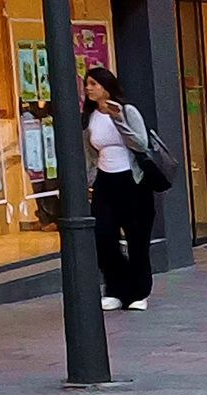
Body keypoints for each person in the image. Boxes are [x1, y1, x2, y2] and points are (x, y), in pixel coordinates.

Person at [83, 67, 156, 312]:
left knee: (137, 239)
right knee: (103, 237)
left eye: (94, 84)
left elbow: (141, 143)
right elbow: (90, 153)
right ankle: (115, 289)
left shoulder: (127, 111)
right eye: (87, 84)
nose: (89, 88)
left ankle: (139, 292)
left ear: (107, 86)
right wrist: (90, 180)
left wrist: (117, 118)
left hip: (132, 181)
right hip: (104, 181)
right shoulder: (90, 116)